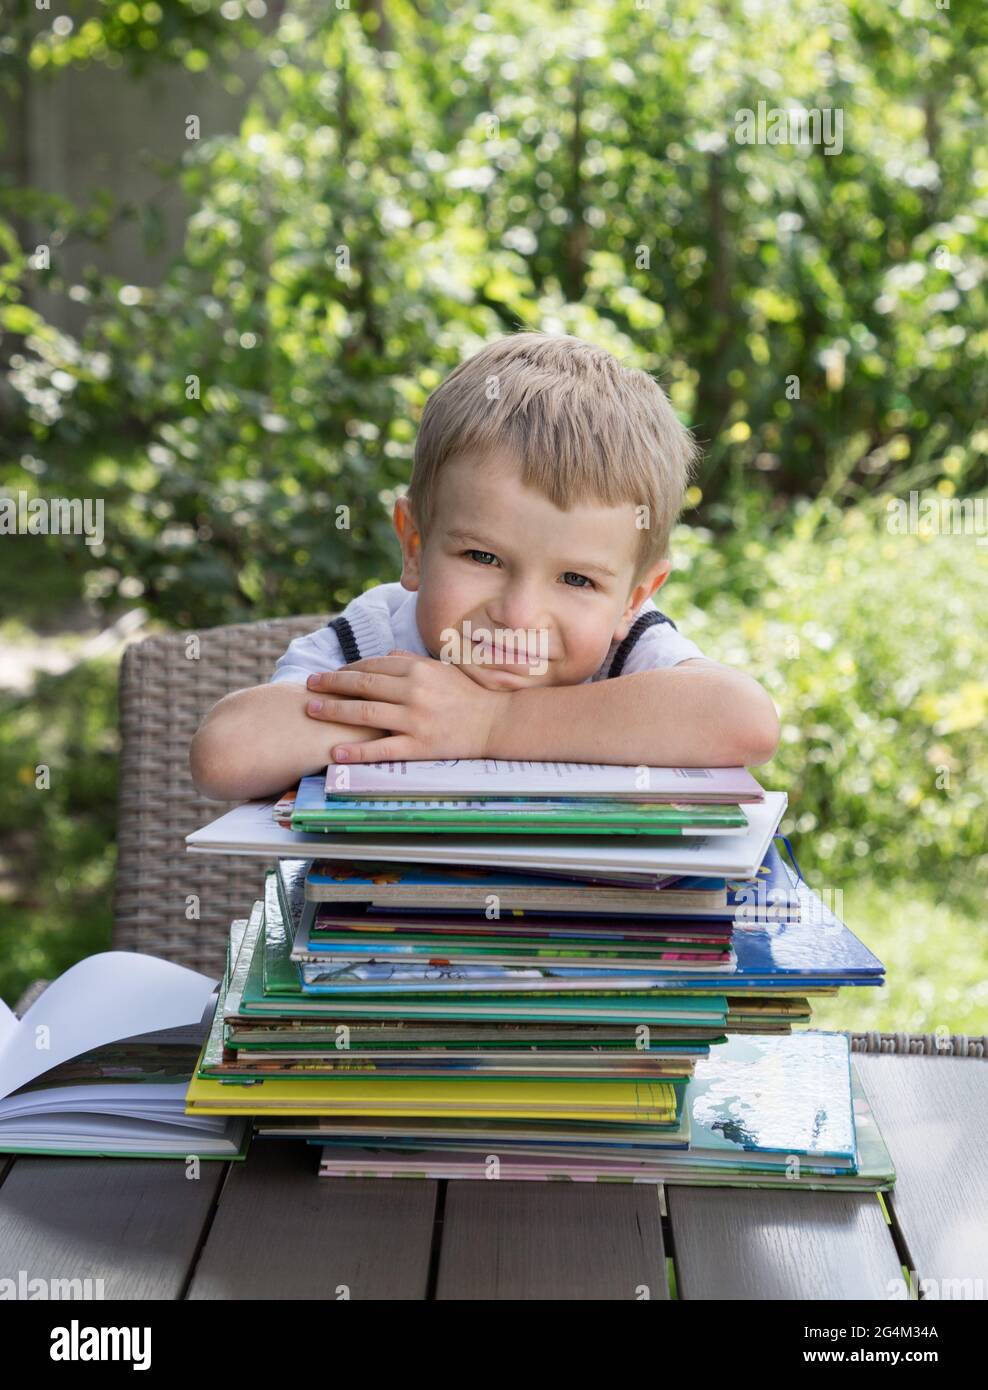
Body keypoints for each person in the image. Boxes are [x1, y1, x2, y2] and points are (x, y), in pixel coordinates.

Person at [190, 332, 779, 801]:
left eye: (576, 579)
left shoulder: (626, 650)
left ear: (633, 598)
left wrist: (490, 722)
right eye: (483, 557)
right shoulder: (377, 636)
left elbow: (745, 721)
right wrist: (422, 716)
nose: (519, 613)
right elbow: (225, 753)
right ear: (415, 545)